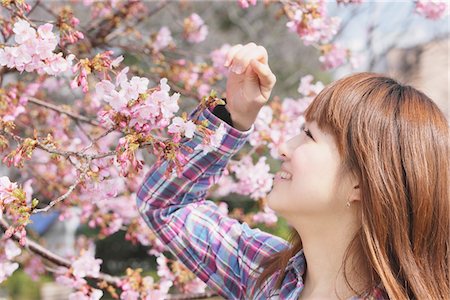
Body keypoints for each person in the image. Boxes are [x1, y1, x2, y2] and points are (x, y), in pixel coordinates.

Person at [136, 43, 449, 299]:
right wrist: (233, 115)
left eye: (310, 136)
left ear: (362, 184)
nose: (284, 147)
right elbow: (166, 205)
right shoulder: (268, 275)